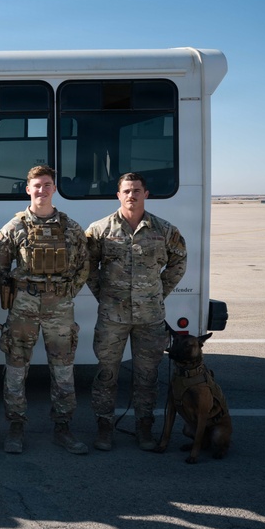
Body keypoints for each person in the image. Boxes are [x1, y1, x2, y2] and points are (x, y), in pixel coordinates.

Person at [0, 165, 90, 455]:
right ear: (28, 190)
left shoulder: (70, 228)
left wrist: (67, 292)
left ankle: (63, 428)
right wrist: (17, 293)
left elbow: (84, 265)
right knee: (16, 367)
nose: (42, 191)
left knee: (63, 369)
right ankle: (16, 427)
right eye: (37, 186)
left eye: (47, 185)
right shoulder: (14, 227)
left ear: (54, 189)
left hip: (59, 306)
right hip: (24, 305)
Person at [85, 172, 187, 451]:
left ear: (146, 194)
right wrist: (103, 294)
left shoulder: (164, 229)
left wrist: (157, 293)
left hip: (150, 318)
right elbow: (86, 266)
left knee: (147, 377)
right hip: (112, 317)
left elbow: (179, 262)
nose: (132, 195)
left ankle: (145, 428)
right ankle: (104, 428)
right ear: (118, 195)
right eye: (126, 191)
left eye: (137, 190)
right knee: (106, 374)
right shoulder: (99, 230)